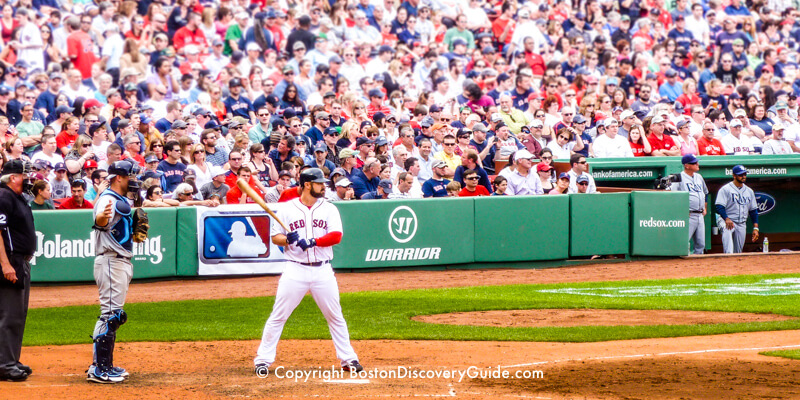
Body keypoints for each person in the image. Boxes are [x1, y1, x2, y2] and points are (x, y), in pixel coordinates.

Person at [254, 168, 363, 375]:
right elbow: (275, 237)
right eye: (319, 183)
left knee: (335, 316)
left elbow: (336, 236)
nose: (324, 186)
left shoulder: (329, 208)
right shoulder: (287, 209)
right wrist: (289, 239)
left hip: (323, 271)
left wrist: (313, 241)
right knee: (278, 316)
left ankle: (348, 358)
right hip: (295, 270)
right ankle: (263, 360)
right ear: (306, 184)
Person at [88, 160, 141, 383]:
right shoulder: (109, 199)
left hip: (119, 261)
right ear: (119, 177)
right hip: (111, 261)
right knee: (110, 315)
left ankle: (105, 364)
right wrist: (102, 217)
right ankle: (99, 369)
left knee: (114, 314)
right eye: (130, 175)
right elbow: (100, 220)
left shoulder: (118, 198)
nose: (134, 179)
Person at [0, 160, 36, 382]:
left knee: (18, 314)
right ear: (13, 177)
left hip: (19, 261)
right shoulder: (3, 196)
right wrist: (5, 264)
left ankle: (11, 358)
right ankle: (5, 364)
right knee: (9, 314)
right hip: (9, 262)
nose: (29, 178)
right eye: (25, 175)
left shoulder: (16, 197)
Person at [715, 165, 759, 254]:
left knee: (738, 252)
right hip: (727, 220)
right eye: (740, 175)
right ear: (734, 176)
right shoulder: (725, 189)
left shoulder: (749, 191)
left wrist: (755, 228)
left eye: (744, 174)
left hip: (741, 223)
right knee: (727, 230)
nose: (743, 176)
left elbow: (753, 211)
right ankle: (728, 256)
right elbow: (719, 206)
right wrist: (726, 219)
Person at [671, 154, 708, 255]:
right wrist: (682, 211)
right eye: (694, 162)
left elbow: (705, 192)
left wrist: (705, 207)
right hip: (688, 215)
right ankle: (683, 265)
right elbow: (673, 196)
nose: (697, 164)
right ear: (687, 165)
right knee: (684, 242)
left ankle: (697, 266)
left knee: (701, 243)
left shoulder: (699, 177)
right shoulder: (679, 177)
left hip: (699, 215)